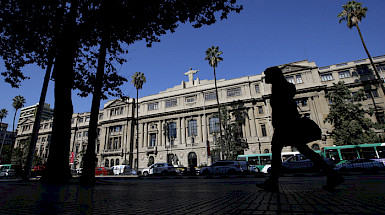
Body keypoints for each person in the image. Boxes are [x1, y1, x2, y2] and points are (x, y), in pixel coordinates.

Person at [256, 67, 344, 192]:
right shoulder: (280, 87)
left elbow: (283, 107)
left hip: (286, 125)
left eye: (267, 75)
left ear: (274, 75)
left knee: (277, 150)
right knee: (303, 150)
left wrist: (279, 123)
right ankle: (332, 175)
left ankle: (273, 181)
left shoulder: (280, 88)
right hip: (287, 124)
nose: (266, 78)